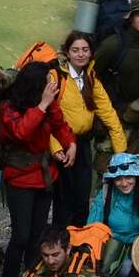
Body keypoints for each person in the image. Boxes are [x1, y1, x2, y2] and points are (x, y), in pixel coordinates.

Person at [0, 61, 77, 277]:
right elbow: (22, 132)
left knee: (38, 234)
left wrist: (70, 143)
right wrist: (42, 104)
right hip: (20, 179)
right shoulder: (9, 109)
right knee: (21, 235)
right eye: (47, 82)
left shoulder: (48, 105)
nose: (51, 85)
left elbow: (60, 124)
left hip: (44, 177)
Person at [54, 31, 127, 219]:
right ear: (67, 53)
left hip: (83, 144)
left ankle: (79, 242)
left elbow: (109, 114)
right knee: (63, 200)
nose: (81, 54)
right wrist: (55, 147)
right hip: (60, 146)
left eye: (85, 50)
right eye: (75, 50)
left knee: (82, 197)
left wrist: (121, 152)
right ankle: (60, 242)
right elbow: (47, 116)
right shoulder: (56, 76)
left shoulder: (91, 78)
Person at [94, 0, 139, 159]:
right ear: (130, 17)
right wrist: (98, 117)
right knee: (108, 167)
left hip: (136, 115)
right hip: (111, 115)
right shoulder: (113, 44)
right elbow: (91, 76)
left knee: (136, 168)